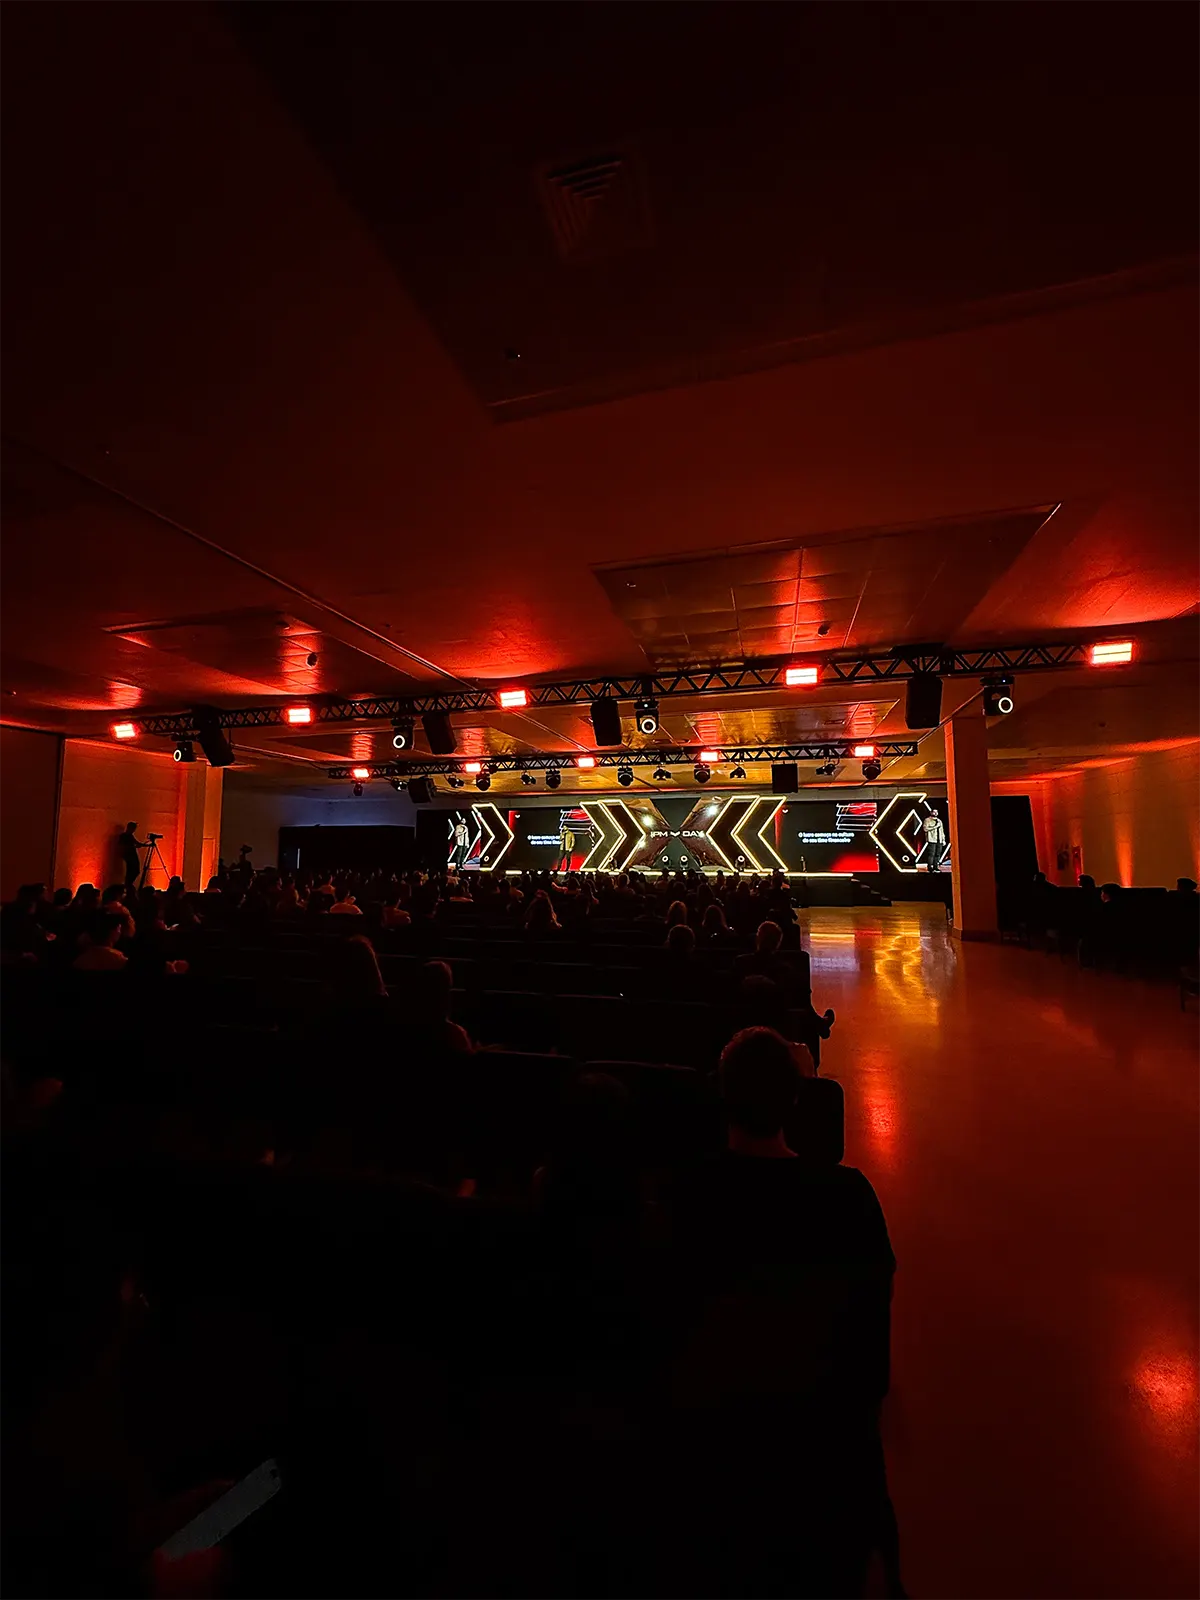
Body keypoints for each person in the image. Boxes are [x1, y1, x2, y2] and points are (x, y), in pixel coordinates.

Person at [116, 823, 144, 890]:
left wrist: (142, 844)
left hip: (131, 855)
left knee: (133, 871)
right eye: (133, 828)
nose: (134, 830)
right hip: (129, 855)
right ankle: (128, 884)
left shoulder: (130, 835)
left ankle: (128, 884)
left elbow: (136, 842)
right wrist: (133, 846)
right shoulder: (124, 836)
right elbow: (121, 845)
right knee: (133, 870)